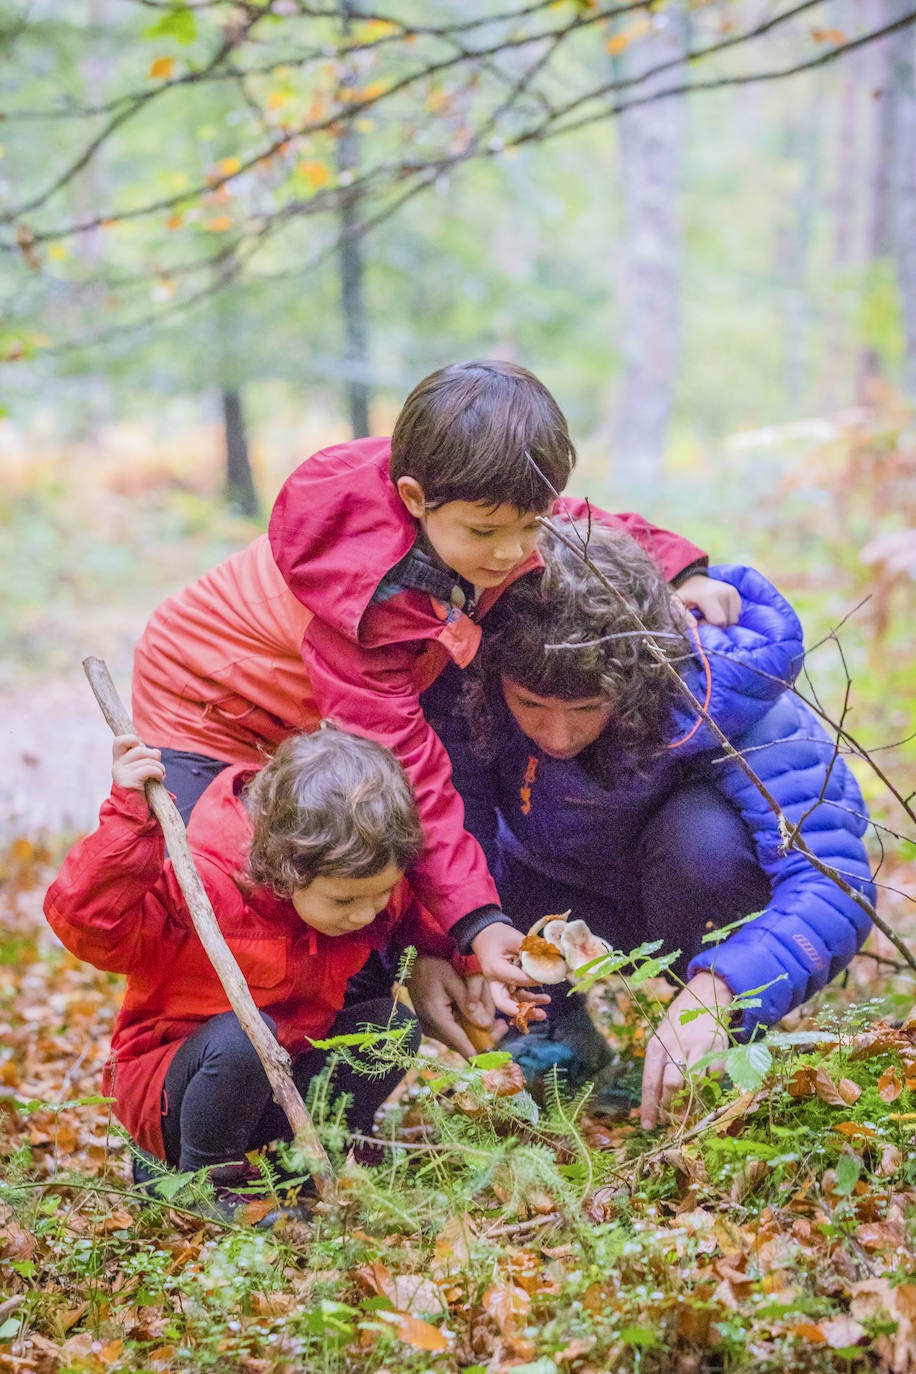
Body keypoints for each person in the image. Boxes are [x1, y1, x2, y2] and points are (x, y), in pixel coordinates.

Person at [130, 360, 738, 998]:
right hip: (211, 706)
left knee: (340, 883)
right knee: (242, 890)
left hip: (314, 707)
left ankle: (355, 1030)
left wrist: (677, 568)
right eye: (485, 532)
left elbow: (575, 523)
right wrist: (476, 920)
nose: (510, 552)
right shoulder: (367, 602)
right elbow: (404, 770)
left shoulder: (479, 502)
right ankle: (211, 1062)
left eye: (526, 526)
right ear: (415, 498)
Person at [440, 522, 876, 1128]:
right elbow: (447, 828)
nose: (557, 735)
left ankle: (712, 1043)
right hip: (549, 884)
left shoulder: (718, 696)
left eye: (588, 707)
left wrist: (722, 988)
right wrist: (465, 942)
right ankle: (557, 1031)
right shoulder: (470, 682)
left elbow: (836, 883)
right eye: (531, 705)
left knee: (702, 836)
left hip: (694, 892)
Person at [43, 725, 487, 1212]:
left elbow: (419, 916)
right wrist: (128, 823)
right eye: (345, 900)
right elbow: (91, 924)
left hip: (277, 1081)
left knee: (390, 1027)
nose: (366, 913)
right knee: (247, 1039)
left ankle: (310, 1158)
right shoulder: (203, 889)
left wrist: (463, 958)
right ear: (287, 867)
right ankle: (203, 1182)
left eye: (380, 893)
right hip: (176, 1093)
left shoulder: (362, 884)